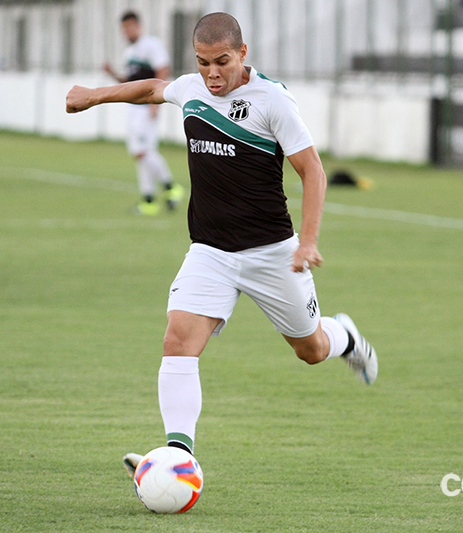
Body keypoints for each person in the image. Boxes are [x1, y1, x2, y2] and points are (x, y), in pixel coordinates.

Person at [67, 12, 378, 471]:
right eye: (203, 62)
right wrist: (94, 96)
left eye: (222, 61)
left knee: (310, 350)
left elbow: (313, 170)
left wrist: (307, 241)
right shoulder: (192, 88)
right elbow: (153, 88)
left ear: (243, 53)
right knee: (178, 340)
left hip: (273, 253)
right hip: (210, 251)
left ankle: (346, 336)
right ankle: (178, 456)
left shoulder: (272, 100)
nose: (212, 73)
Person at [103, 10, 185, 215]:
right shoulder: (130, 53)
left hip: (146, 106)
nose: (127, 31)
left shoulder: (150, 44)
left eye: (130, 26)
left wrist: (155, 104)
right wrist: (112, 74)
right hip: (133, 107)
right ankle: (148, 200)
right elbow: (128, 83)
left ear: (139, 26)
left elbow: (162, 69)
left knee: (143, 151)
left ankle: (171, 188)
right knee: (140, 154)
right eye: (124, 28)